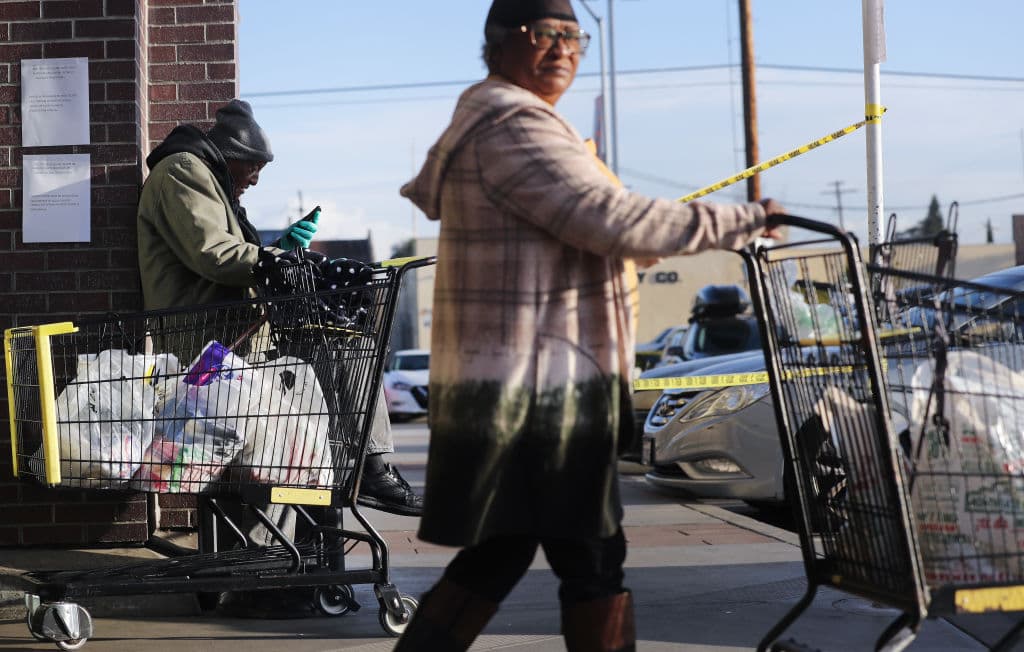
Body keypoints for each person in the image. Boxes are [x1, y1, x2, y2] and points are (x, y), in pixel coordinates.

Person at [395, 0, 784, 649]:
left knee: (507, 550)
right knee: (590, 558)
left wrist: (638, 237)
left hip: (521, 381)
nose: (564, 48)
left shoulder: (502, 120)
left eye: (575, 36)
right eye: (544, 33)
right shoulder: (512, 122)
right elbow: (611, 217)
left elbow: (582, 229)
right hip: (545, 389)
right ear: (497, 44)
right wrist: (741, 219)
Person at [136, 99, 422, 615]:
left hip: (229, 339)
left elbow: (226, 251)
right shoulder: (184, 170)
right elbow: (211, 253)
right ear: (234, 153)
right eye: (255, 167)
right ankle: (282, 563)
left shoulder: (207, 178)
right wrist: (277, 259)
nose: (256, 180)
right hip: (210, 344)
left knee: (279, 442)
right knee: (276, 450)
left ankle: (295, 555)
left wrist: (279, 249)